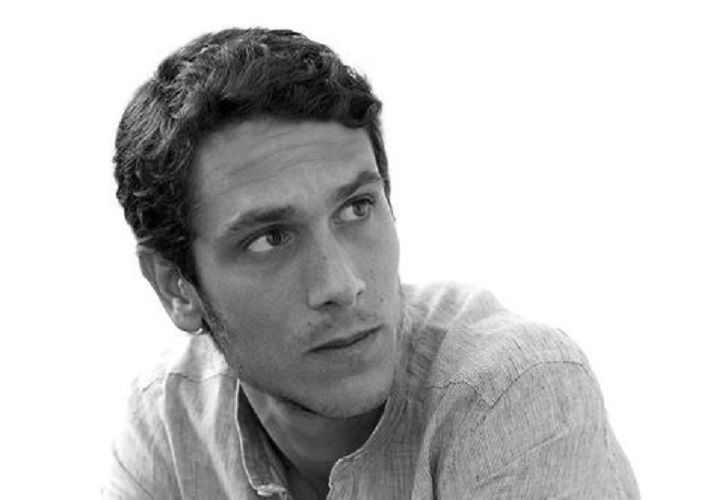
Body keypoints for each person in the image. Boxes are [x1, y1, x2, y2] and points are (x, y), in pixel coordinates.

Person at [106, 27, 639, 499]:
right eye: (270, 239)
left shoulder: (512, 392)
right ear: (176, 287)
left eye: (356, 208)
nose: (342, 283)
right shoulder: (167, 420)